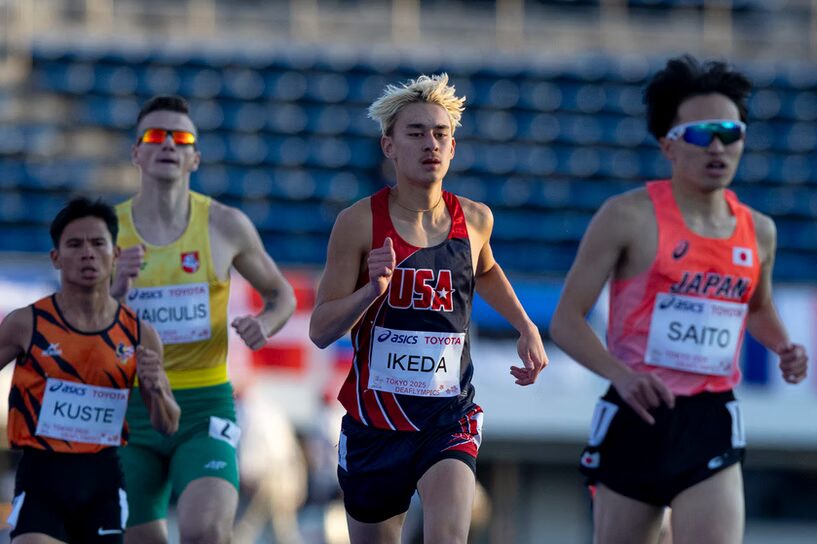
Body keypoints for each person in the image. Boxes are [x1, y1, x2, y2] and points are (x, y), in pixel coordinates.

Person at [549, 55, 808, 544]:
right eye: (700, 134)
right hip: (637, 410)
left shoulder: (760, 232)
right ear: (669, 144)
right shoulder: (626, 216)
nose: (717, 146)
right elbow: (566, 322)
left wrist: (783, 347)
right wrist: (622, 377)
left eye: (730, 133)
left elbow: (755, 307)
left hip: (710, 417)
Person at [309, 73, 548, 544]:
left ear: (453, 148)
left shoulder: (475, 219)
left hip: (448, 416)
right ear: (389, 146)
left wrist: (525, 326)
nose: (430, 144)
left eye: (441, 134)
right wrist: (370, 291)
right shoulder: (359, 223)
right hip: (375, 421)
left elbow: (486, 270)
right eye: (415, 133)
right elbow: (320, 329)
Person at [111, 95, 297, 544]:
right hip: (129, 407)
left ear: (195, 156)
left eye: (182, 137)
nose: (169, 144)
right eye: (156, 136)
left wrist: (265, 324)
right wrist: (114, 288)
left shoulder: (224, 225)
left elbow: (282, 294)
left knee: (206, 531)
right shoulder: (105, 231)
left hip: (204, 405)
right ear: (137, 152)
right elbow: (75, 320)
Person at [0, 197, 180, 543]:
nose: (88, 253)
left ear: (115, 254)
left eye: (98, 243)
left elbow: (168, 423)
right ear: (56, 257)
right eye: (75, 244)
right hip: (41, 477)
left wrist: (156, 387)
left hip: (102, 482)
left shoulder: (140, 334)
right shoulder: (27, 323)